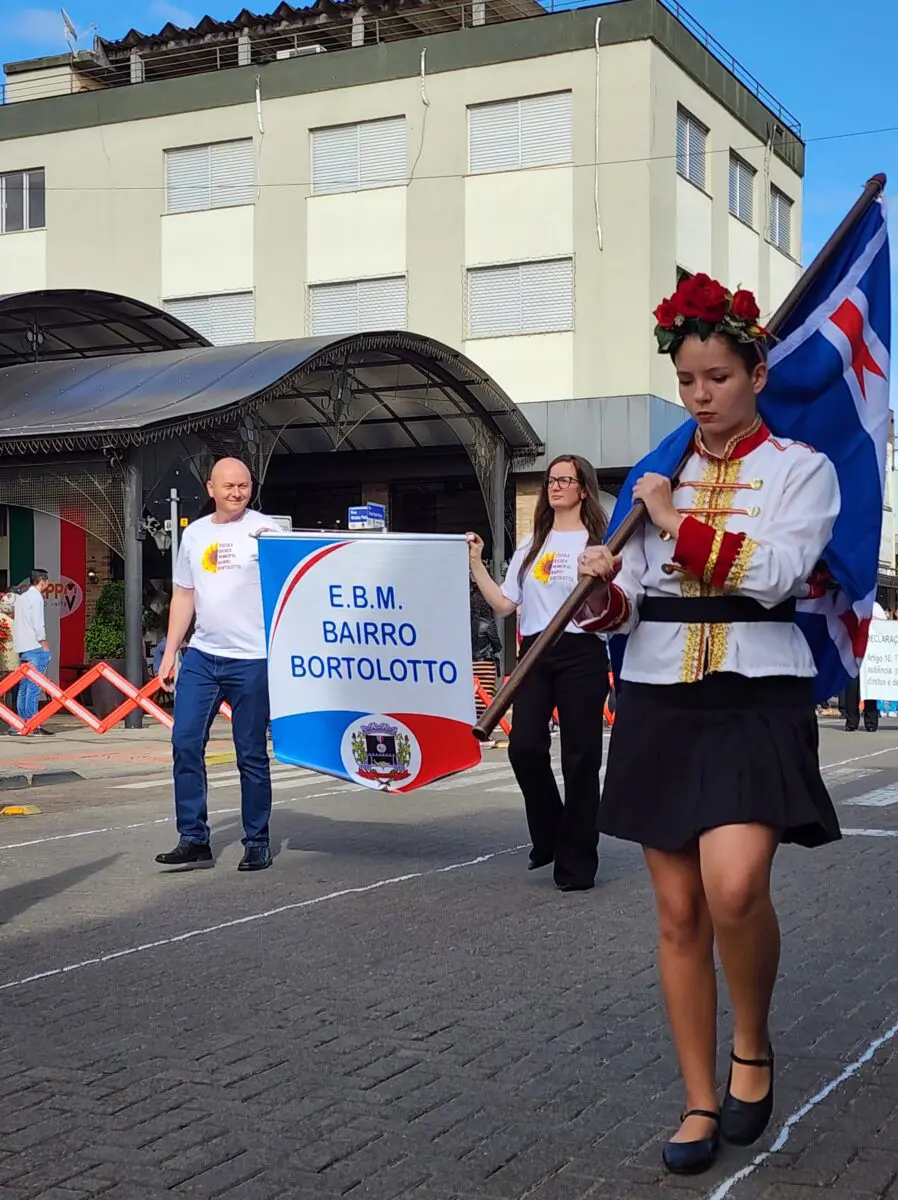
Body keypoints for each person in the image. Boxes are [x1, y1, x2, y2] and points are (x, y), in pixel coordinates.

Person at [575, 276, 841, 1174]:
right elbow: (629, 614)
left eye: (718, 377)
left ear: (756, 373)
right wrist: (603, 588)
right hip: (657, 700)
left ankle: (752, 1047)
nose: (700, 396)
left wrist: (668, 518)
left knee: (733, 890)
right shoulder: (660, 474)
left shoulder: (802, 469)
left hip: (754, 696)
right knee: (680, 909)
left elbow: (773, 575)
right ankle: (696, 1099)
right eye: (688, 380)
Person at [467, 454, 609, 892]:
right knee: (524, 746)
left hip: (581, 651)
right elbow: (505, 605)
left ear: (584, 488)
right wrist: (476, 562)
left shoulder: (599, 541)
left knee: (580, 757)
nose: (556, 486)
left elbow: (609, 602)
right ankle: (551, 833)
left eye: (566, 479)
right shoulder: (533, 543)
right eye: (552, 479)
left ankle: (577, 864)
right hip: (534, 651)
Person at [155, 458, 278, 872]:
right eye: (228, 486)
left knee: (251, 754)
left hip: (253, 659)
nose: (236, 493)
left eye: (243, 485)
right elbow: (184, 596)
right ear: (211, 488)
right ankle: (193, 838)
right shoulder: (194, 534)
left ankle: (257, 840)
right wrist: (170, 652)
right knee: (185, 743)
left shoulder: (268, 531)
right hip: (203, 657)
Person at [11, 569, 54, 736]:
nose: (48, 584)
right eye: (47, 581)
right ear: (42, 581)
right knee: (34, 686)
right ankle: (33, 723)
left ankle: (20, 723)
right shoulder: (36, 598)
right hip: (35, 646)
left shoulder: (22, 598)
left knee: (24, 686)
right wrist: (44, 643)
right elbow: (38, 623)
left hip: (23, 646)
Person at [842, 599, 886, 732]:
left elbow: (883, 629)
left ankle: (871, 722)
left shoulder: (876, 608)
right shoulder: (850, 605)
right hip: (852, 655)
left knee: (870, 690)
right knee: (851, 690)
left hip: (870, 656)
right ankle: (851, 722)